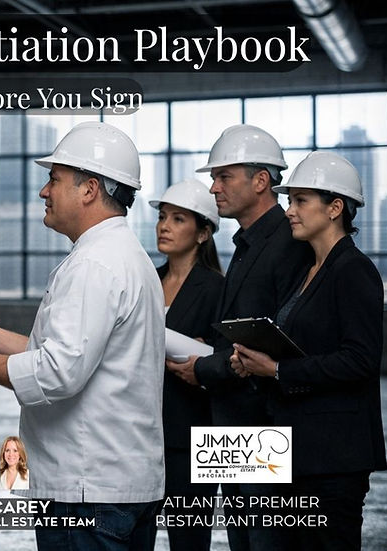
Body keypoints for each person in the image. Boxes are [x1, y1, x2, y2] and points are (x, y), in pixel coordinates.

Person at [0, 122, 165, 550]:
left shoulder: (95, 265)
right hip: (117, 486)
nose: (43, 191)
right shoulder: (123, 256)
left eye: (54, 179)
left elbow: (57, 374)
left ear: (89, 189)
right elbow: (75, 355)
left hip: (87, 496)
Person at [230, 151, 386, 550]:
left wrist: (277, 371)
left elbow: (360, 360)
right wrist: (256, 358)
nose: (289, 212)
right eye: (289, 201)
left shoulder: (354, 270)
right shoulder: (306, 270)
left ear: (335, 208)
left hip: (334, 458)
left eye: (300, 201)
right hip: (295, 449)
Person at [164, 124, 310, 551]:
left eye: (224, 176)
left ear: (261, 181)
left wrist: (204, 368)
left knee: (264, 540)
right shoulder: (248, 244)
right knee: (243, 539)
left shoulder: (287, 242)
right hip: (231, 421)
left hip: (261, 421)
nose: (213, 187)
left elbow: (275, 341)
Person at [148, 180, 223, 551]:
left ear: (203, 233)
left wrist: (209, 353)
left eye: (178, 219)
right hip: (144, 429)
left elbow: (228, 356)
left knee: (189, 537)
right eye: (162, 217)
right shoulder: (147, 279)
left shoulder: (216, 288)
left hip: (193, 430)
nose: (164, 225)